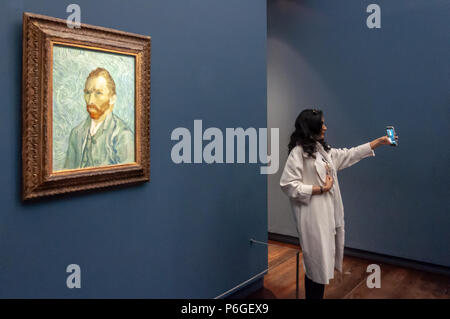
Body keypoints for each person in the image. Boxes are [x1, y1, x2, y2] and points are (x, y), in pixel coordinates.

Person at [279, 109, 398, 299]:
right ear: (311, 127)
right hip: (313, 220)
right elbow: (288, 185)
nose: (325, 127)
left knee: (322, 267)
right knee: (315, 267)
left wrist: (379, 142)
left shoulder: (323, 151)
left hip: (327, 217)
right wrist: (320, 189)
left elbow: (349, 154)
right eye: (322, 124)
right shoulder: (298, 153)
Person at [64, 67, 134, 169]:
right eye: (87, 93)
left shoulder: (123, 135)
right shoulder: (76, 133)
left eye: (98, 93)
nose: (90, 100)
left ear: (112, 99)